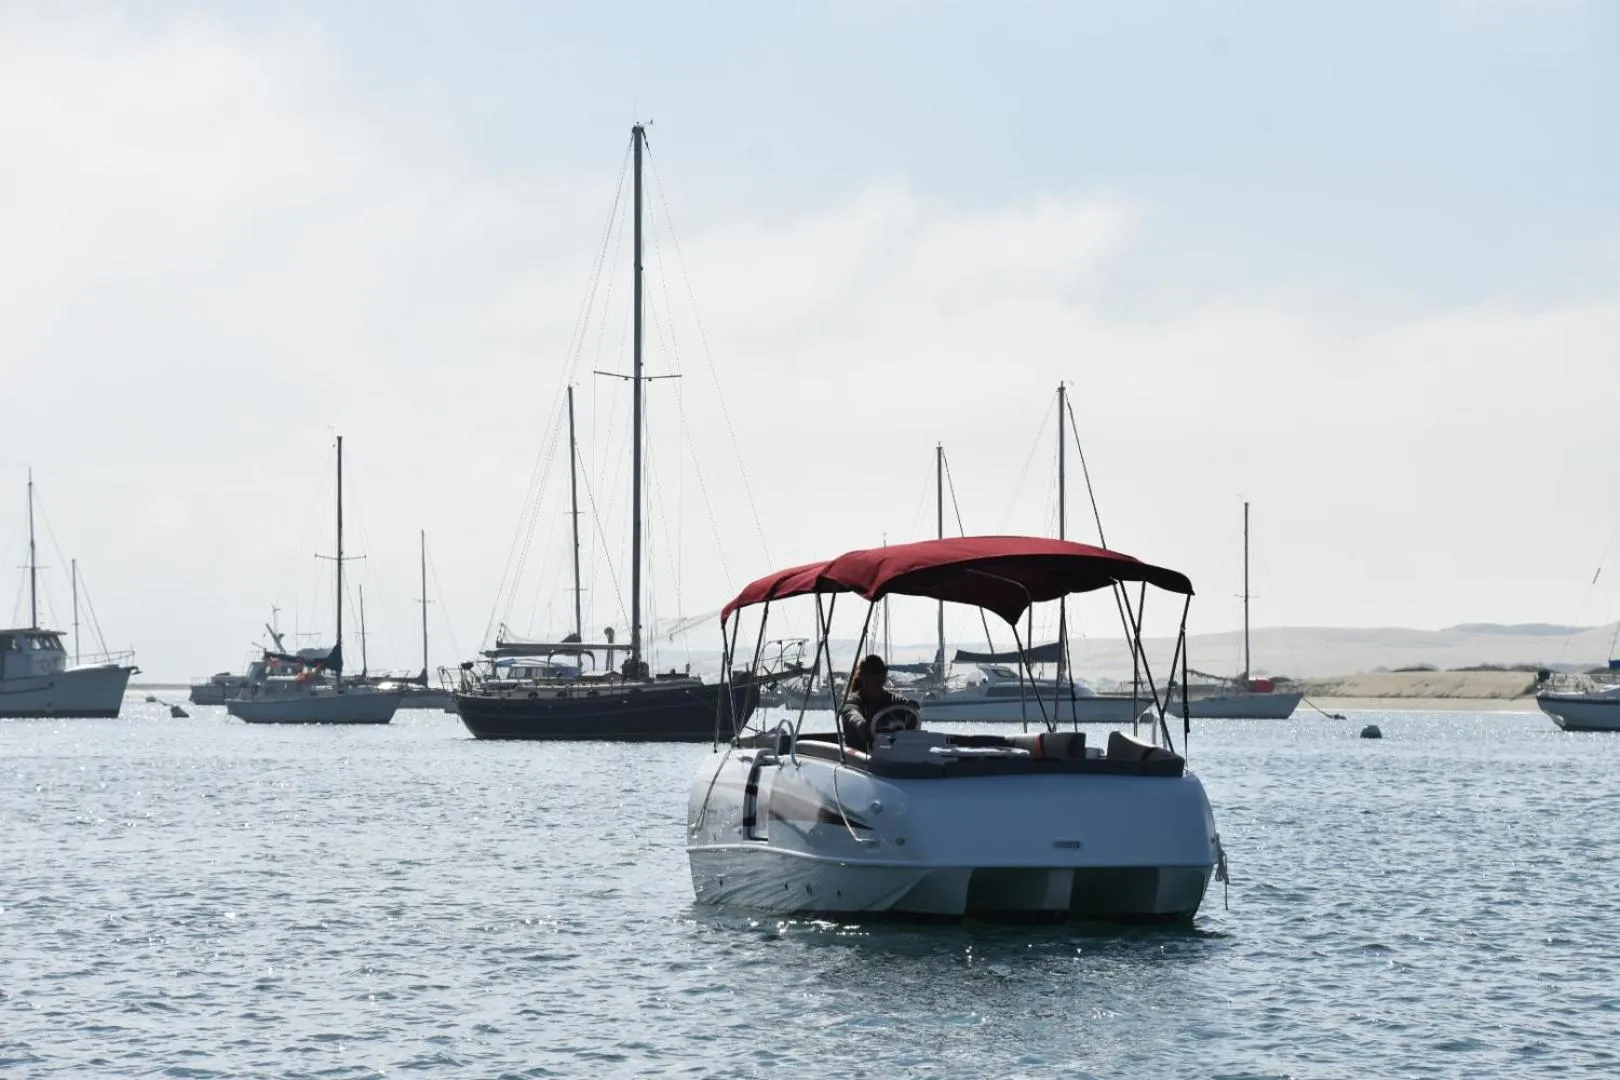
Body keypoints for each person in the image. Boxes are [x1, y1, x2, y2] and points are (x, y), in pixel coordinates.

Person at [840, 654, 920, 752]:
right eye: (875, 672)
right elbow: (852, 714)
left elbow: (908, 707)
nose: (880, 675)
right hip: (858, 761)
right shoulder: (853, 702)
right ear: (863, 676)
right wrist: (861, 724)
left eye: (883, 670)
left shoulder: (894, 699)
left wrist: (911, 708)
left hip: (890, 757)